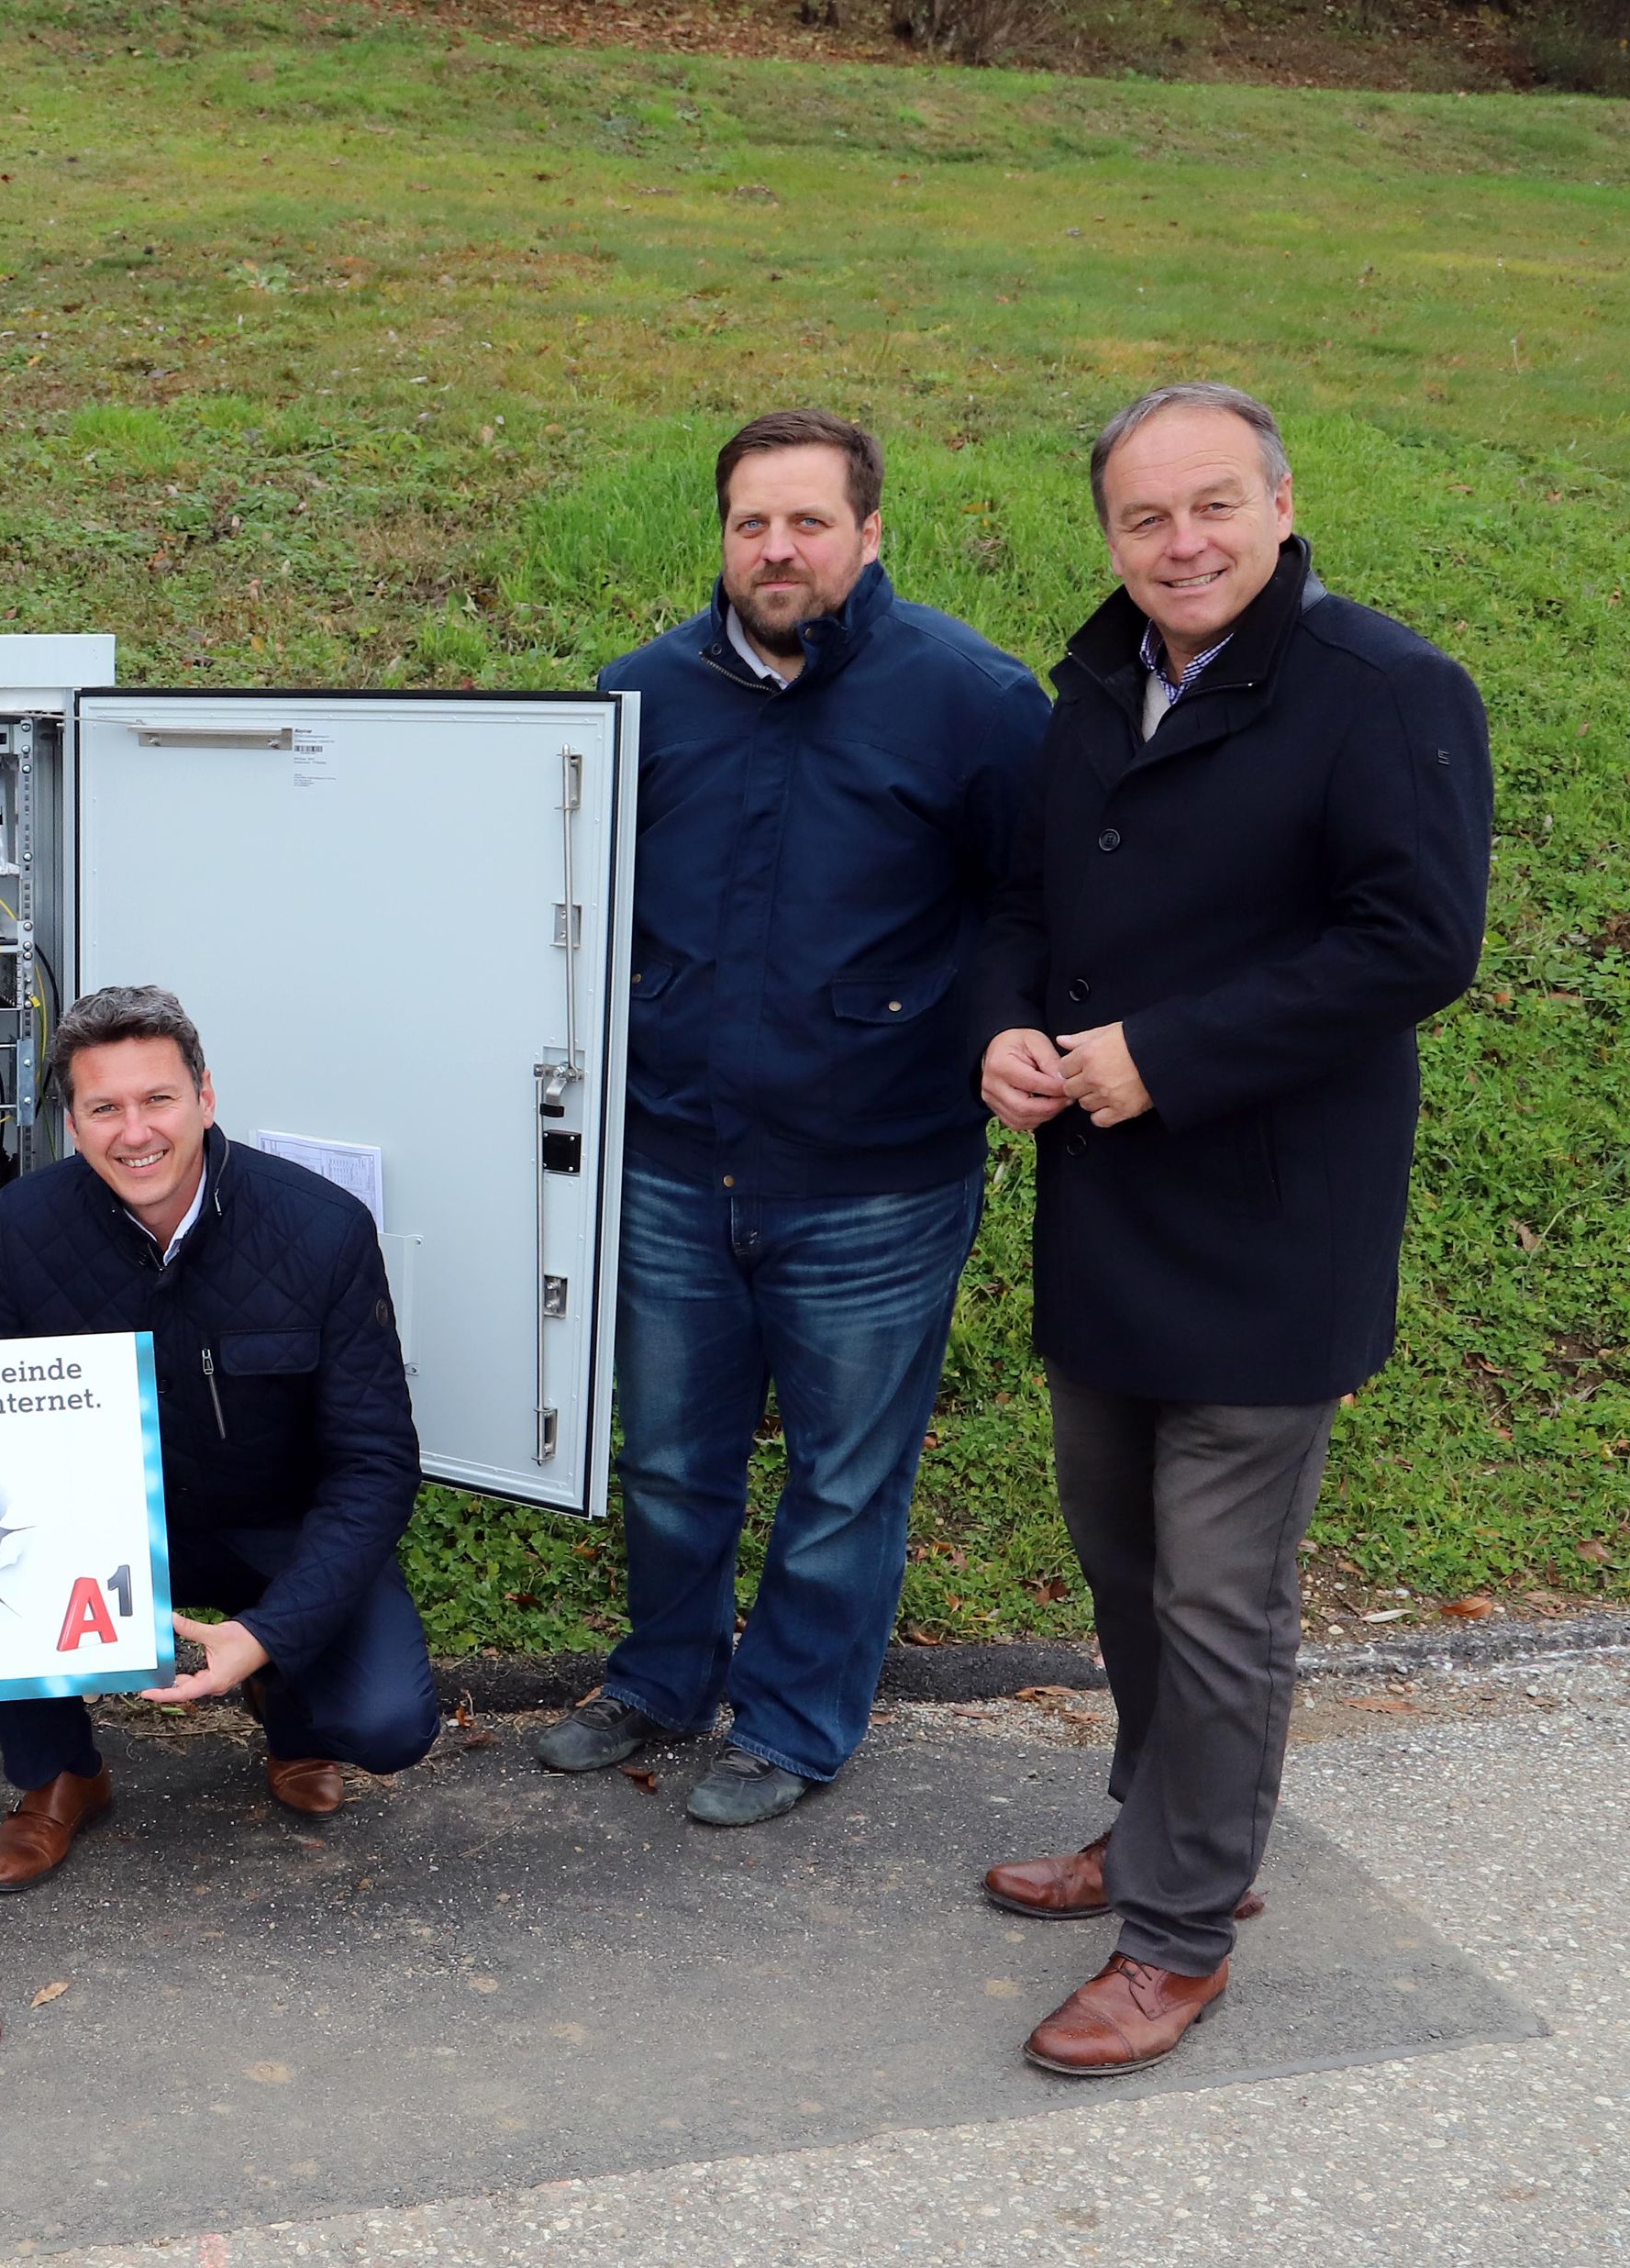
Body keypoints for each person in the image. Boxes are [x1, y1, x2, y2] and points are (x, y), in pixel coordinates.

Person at [974, 384, 1490, 2077]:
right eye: (1143, 518)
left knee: (1216, 1595)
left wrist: (1163, 1053)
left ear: (1279, 503)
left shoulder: (1385, 691)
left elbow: (1414, 944)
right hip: (1110, 1205)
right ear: (1109, 534)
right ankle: (1160, 1816)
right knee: (1124, 1560)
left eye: (1212, 506)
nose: (1179, 544)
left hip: (1276, 1223)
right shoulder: (1094, 682)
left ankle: (1182, 1931)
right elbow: (1027, 899)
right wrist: (1006, 1026)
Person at [535, 411, 1049, 1826]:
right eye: (753, 522)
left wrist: (995, 1036)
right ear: (722, 536)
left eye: (810, 522)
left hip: (877, 1179)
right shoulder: (637, 697)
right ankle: (661, 1678)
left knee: (842, 1482)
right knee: (670, 1460)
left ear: (871, 534)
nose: (778, 549)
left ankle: (796, 1721)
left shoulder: (975, 703)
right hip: (673, 1165)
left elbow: (1032, 904)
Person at [0, 986, 438, 1895]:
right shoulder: (26, 1226)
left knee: (386, 1724)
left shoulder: (321, 1229)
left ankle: (286, 1709)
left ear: (205, 1098)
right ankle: (59, 1775)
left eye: (158, 1100)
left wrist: (268, 1634)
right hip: (105, 1525)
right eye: (104, 1107)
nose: (133, 1132)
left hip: (278, 1525)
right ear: (72, 1120)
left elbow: (375, 1466)